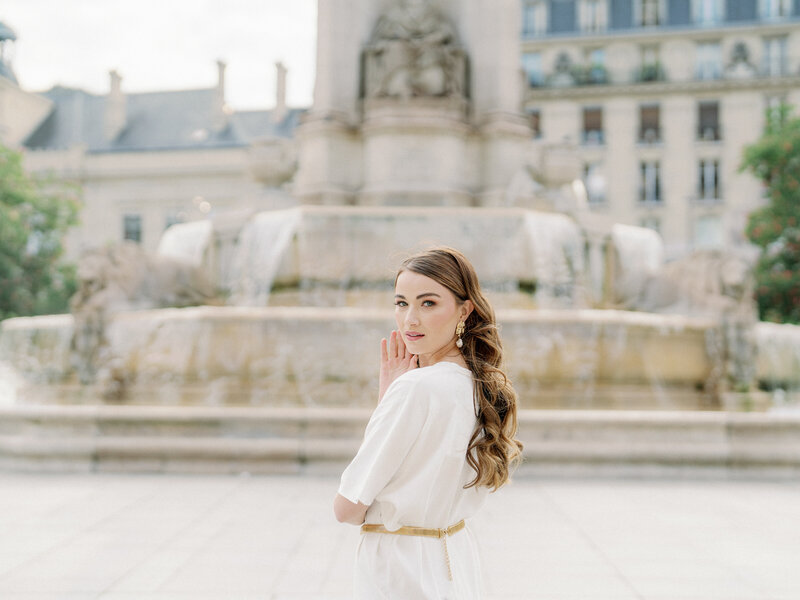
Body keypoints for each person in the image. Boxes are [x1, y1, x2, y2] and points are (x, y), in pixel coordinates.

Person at [333, 246, 524, 599]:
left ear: (464, 309)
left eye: (428, 303)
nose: (410, 320)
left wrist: (388, 403)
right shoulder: (478, 386)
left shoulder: (415, 388)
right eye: (401, 303)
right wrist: (389, 402)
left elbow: (347, 508)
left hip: (399, 570)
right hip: (452, 558)